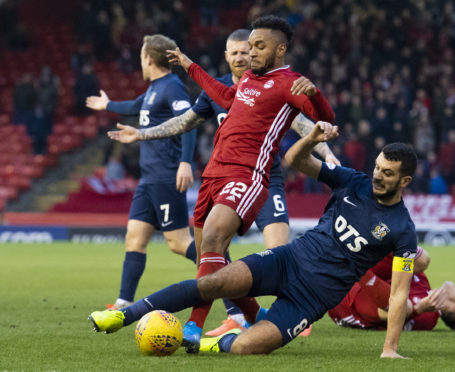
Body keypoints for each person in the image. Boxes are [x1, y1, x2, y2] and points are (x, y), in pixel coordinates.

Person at [89, 123, 419, 359]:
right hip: (286, 261)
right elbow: (297, 161)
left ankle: (210, 344)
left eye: (387, 173)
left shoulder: (402, 229)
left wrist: (389, 349)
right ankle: (123, 315)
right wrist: (312, 138)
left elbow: (400, 291)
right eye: (377, 167)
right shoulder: (353, 181)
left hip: (312, 299)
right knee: (213, 283)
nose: (377, 175)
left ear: (404, 180)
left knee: (249, 348)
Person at [107, 15, 335, 352]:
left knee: (231, 242)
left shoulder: (288, 83)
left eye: (257, 47)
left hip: (254, 176)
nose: (250, 54)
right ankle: (257, 317)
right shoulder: (245, 83)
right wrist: (189, 67)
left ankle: (197, 326)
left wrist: (316, 101)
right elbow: (216, 101)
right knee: (210, 257)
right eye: (244, 49)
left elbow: (321, 120)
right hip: (215, 175)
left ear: (279, 49)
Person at [85, 34, 197, 310]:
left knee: (178, 243)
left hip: (166, 174)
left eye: (141, 58)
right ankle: (123, 303)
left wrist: (185, 161)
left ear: (149, 58)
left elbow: (189, 122)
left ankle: (231, 278)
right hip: (148, 178)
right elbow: (135, 107)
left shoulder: (173, 87)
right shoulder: (154, 89)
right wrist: (108, 105)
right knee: (134, 237)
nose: (140, 63)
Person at [329, 248, 455, 331]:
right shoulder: (423, 283)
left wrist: (417, 309)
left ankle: (356, 264)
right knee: (421, 261)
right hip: (358, 282)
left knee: (404, 307)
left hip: (349, 303)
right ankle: (378, 231)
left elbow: (384, 320)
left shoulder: (429, 318)